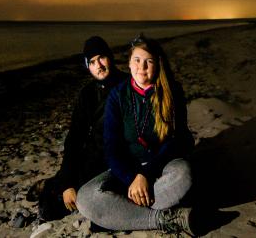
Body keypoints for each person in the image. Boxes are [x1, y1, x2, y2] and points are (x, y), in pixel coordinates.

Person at [76, 34, 196, 235]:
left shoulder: (171, 91)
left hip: (163, 166)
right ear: (129, 64)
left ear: (157, 64)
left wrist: (146, 175)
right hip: (128, 170)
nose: (142, 67)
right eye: (137, 60)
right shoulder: (118, 95)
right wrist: (132, 178)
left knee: (184, 175)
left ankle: (121, 215)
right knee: (85, 198)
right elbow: (111, 146)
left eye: (149, 61)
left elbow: (178, 140)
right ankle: (161, 218)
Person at [37, 35, 124, 221]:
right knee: (49, 208)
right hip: (92, 157)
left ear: (110, 57)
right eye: (92, 62)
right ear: (87, 66)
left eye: (101, 57)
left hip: (117, 160)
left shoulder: (129, 85)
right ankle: (54, 181)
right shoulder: (87, 94)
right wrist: (67, 183)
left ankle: (51, 182)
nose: (98, 65)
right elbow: (75, 137)